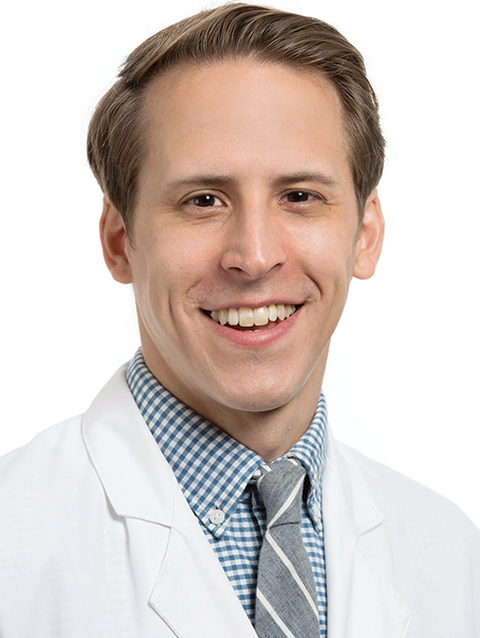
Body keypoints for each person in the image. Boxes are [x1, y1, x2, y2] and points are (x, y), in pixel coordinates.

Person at [0, 3, 478, 637]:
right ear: (119, 241)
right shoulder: (13, 546)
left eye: (300, 196)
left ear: (365, 234)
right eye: (203, 200)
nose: (254, 257)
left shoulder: (453, 554)